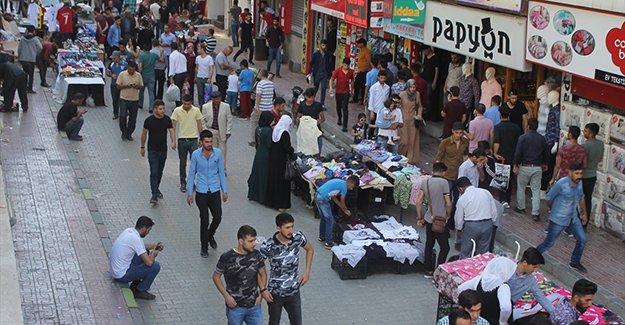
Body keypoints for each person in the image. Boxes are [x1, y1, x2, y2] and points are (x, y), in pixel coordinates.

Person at [260, 213, 314, 325]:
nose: (291, 230)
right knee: (274, 322)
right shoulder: (268, 246)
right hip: (275, 293)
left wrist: (307, 271)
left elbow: (310, 249)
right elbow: (257, 267)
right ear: (278, 228)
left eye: (292, 226)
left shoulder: (298, 238)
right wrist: (263, 289)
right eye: (287, 227)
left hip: (293, 291)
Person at [537, 162, 588, 273]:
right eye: (576, 173)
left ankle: (574, 262)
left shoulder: (579, 183)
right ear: (570, 172)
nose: (579, 176)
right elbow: (549, 198)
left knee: (582, 239)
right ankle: (533, 257)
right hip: (558, 218)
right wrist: (554, 210)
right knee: (549, 243)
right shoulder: (561, 184)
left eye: (580, 173)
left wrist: (584, 214)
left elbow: (581, 197)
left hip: (573, 217)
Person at [213, 225, 266, 325]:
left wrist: (261, 294)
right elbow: (216, 276)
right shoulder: (227, 257)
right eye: (250, 241)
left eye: (254, 240)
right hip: (235, 307)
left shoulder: (256, 255)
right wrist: (226, 296)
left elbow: (262, 273)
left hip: (254, 306)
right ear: (241, 241)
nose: (254, 244)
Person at [187, 130, 228, 257]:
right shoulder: (195, 155)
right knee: (204, 220)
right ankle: (204, 247)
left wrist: (224, 190)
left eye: (211, 141)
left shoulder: (218, 154)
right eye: (207, 142)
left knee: (217, 217)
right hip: (201, 192)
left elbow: (221, 172)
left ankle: (209, 236)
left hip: (215, 191)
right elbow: (191, 173)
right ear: (201, 142)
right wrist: (189, 193)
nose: (209, 144)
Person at [109, 216, 162, 300]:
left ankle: (135, 283)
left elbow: (140, 247)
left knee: (145, 251)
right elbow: (149, 263)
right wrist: (153, 254)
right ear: (143, 229)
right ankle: (140, 290)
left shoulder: (129, 231)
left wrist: (153, 246)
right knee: (155, 266)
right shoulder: (136, 239)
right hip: (122, 275)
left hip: (115, 271)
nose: (148, 233)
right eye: (149, 230)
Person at [457, 256, 516, 325]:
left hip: (478, 317)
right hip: (494, 321)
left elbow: (460, 288)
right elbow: (506, 308)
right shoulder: (503, 287)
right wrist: (503, 322)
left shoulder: (480, 279)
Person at [416, 163, 451, 278]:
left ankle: (428, 270)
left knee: (429, 244)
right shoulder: (444, 183)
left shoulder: (425, 182)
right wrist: (448, 216)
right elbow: (448, 203)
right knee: (445, 247)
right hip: (440, 220)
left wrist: (419, 217)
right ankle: (439, 272)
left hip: (429, 218)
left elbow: (418, 202)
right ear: (442, 172)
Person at [513, 118, 549, 221]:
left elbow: (518, 152)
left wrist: (515, 164)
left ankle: (521, 207)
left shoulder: (522, 138)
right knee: (536, 190)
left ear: (528, 126)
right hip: (537, 167)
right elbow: (546, 153)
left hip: (524, 166)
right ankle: (535, 212)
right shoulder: (542, 139)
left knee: (521, 187)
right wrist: (545, 163)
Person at [140, 100, 175, 204]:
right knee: (154, 172)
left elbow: (171, 130)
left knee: (159, 171)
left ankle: (156, 188)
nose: (163, 111)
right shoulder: (149, 120)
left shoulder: (167, 120)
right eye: (160, 109)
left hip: (163, 150)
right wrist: (142, 147)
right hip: (152, 150)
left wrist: (173, 142)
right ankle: (154, 194)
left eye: (163, 108)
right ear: (155, 109)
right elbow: (144, 134)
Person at [507, 247, 556, 322]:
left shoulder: (531, 281)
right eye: (534, 267)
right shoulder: (507, 268)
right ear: (525, 263)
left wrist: (556, 314)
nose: (536, 270)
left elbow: (542, 298)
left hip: (508, 307)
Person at [454, 177, 498, 258]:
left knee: (466, 252)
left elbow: (458, 218)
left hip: (472, 225)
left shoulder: (463, 198)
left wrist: (458, 229)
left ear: (461, 189)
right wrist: (492, 223)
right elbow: (494, 211)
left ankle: (465, 269)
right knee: (483, 253)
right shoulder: (485, 192)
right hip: (487, 224)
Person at [436, 122, 470, 218]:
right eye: (457, 133)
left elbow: (466, 155)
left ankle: (453, 219)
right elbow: (439, 158)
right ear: (452, 132)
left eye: (461, 133)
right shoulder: (445, 143)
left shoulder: (465, 142)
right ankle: (445, 218)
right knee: (447, 199)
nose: (459, 135)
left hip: (459, 175)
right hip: (447, 175)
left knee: (458, 199)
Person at [315, 176, 359, 249]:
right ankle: (329, 243)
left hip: (318, 195)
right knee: (330, 220)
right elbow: (342, 200)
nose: (352, 188)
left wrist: (343, 208)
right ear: (350, 182)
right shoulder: (344, 187)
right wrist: (345, 210)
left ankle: (322, 237)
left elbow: (334, 198)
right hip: (323, 198)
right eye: (353, 186)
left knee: (324, 218)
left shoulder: (339, 183)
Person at [171, 94, 202, 192]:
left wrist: (201, 138)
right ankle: (183, 182)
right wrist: (173, 141)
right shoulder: (177, 111)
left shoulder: (196, 110)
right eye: (184, 104)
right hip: (182, 139)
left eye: (188, 104)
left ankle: (191, 181)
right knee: (182, 162)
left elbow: (199, 124)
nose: (186, 106)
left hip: (193, 139)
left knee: (194, 162)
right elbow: (173, 126)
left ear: (191, 103)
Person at [493, 108, 523, 206]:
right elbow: (519, 142)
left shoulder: (497, 127)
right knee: (510, 179)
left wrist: (495, 153)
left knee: (501, 178)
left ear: (500, 116)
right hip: (513, 155)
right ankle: (508, 199)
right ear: (509, 115)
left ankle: (503, 199)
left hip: (501, 157)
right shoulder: (516, 127)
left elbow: (496, 141)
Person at [266, 116, 295, 211]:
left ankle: (272, 202)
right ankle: (282, 205)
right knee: (282, 184)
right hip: (282, 162)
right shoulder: (284, 133)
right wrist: (292, 153)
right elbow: (287, 148)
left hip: (274, 160)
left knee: (274, 180)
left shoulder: (276, 131)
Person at [248, 111, 274, 204]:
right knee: (263, 176)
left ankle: (253, 194)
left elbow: (257, 142)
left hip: (258, 153)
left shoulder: (258, 128)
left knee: (256, 174)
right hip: (266, 154)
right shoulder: (269, 130)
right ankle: (262, 197)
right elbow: (269, 144)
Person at [201, 91, 234, 167]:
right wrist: (205, 130)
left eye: (219, 99)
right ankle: (213, 167)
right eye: (215, 99)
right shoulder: (205, 107)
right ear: (212, 99)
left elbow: (229, 119)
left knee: (222, 151)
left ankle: (222, 168)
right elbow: (203, 120)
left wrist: (228, 131)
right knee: (212, 150)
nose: (217, 101)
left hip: (222, 131)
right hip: (211, 130)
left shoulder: (226, 106)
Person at [581, 123, 603, 228]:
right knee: (588, 199)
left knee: (578, 198)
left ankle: (577, 221)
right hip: (593, 175)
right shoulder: (601, 144)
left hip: (583, 175)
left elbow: (582, 162)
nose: (584, 132)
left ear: (590, 133)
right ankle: (585, 222)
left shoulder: (585, 146)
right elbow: (600, 158)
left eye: (585, 131)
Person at [117, 61, 144, 141]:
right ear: (128, 68)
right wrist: (126, 86)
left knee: (133, 118)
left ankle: (129, 133)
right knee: (122, 116)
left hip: (134, 100)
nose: (131, 72)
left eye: (133, 70)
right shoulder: (122, 74)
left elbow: (142, 87)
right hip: (124, 99)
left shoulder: (138, 75)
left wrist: (137, 86)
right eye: (130, 70)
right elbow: (118, 86)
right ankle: (123, 131)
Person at [398, 79, 424, 163]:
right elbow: (398, 106)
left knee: (412, 141)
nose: (412, 89)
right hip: (403, 119)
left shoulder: (417, 94)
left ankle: (410, 160)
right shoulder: (402, 94)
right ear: (407, 87)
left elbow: (420, 106)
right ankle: (400, 156)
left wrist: (419, 115)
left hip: (413, 119)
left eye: (414, 87)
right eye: (411, 87)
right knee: (404, 141)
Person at [296, 88, 325, 154]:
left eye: (312, 97)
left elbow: (323, 118)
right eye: (309, 97)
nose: (311, 99)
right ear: (306, 96)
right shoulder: (302, 106)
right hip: (305, 132)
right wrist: (298, 121)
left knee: (317, 150)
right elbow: (298, 116)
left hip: (316, 130)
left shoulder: (318, 105)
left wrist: (318, 121)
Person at [329, 58, 354, 132]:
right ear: (343, 64)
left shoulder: (350, 72)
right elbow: (332, 79)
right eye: (345, 65)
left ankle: (345, 125)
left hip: (346, 92)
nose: (346, 67)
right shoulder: (338, 70)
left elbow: (352, 80)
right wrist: (331, 87)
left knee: (345, 108)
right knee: (338, 107)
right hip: (338, 91)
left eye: (347, 66)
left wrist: (352, 90)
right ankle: (340, 117)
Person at [250, 69, 274, 145]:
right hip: (269, 107)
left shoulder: (260, 84)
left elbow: (258, 95)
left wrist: (257, 106)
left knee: (254, 122)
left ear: (261, 75)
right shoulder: (271, 84)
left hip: (261, 108)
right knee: (267, 124)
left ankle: (255, 140)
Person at [17, 25, 41, 94]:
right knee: (31, 75)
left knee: (25, 74)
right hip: (31, 59)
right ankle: (30, 89)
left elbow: (19, 49)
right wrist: (35, 53)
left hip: (23, 59)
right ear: (33, 31)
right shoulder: (35, 39)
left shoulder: (22, 38)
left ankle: (24, 87)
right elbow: (40, 47)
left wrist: (19, 57)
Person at [367, 70, 390, 139]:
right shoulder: (374, 87)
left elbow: (386, 99)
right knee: (372, 126)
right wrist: (371, 111)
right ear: (378, 77)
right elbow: (371, 99)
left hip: (383, 110)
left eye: (384, 78)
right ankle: (369, 139)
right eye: (381, 78)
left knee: (381, 127)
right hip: (375, 110)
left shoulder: (387, 88)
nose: (382, 80)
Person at [308, 40, 332, 107]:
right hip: (317, 73)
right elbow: (311, 63)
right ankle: (311, 98)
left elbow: (329, 64)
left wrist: (330, 73)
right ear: (320, 45)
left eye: (325, 45)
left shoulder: (327, 55)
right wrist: (310, 72)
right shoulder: (316, 54)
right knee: (316, 87)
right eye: (323, 45)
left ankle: (322, 103)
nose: (324, 47)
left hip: (324, 73)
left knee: (323, 88)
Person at [137, 41, 159, 112]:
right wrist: (161, 51)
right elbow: (161, 59)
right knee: (151, 92)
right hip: (152, 75)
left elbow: (140, 66)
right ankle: (151, 107)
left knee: (141, 91)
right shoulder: (154, 55)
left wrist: (139, 74)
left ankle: (140, 103)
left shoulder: (142, 56)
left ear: (143, 48)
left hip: (143, 75)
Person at [421, 46, 440, 117]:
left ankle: (427, 114)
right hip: (424, 79)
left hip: (430, 81)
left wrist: (434, 82)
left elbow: (436, 70)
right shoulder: (425, 57)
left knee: (428, 98)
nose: (424, 53)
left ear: (428, 49)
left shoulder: (435, 58)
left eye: (425, 51)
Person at [352, 38, 371, 104]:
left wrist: (364, 69)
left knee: (363, 86)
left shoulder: (366, 51)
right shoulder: (361, 50)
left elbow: (369, 62)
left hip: (364, 71)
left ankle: (362, 99)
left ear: (362, 44)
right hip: (360, 71)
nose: (357, 44)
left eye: (359, 43)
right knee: (356, 84)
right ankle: (355, 98)